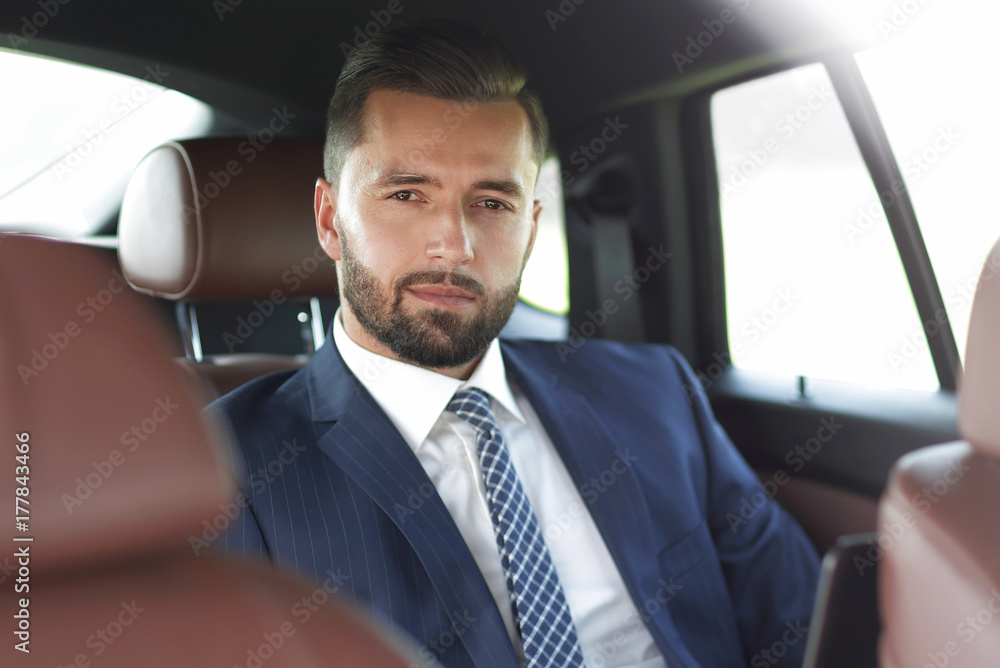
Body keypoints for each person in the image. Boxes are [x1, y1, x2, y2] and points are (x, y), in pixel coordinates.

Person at [210, 18, 819, 668]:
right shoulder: (227, 468)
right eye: (408, 194)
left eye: (493, 203)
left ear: (530, 230)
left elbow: (805, 623)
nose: (455, 244)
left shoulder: (655, 393)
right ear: (332, 221)